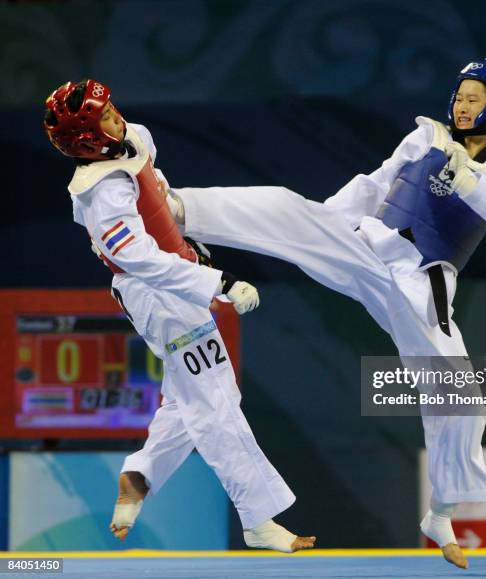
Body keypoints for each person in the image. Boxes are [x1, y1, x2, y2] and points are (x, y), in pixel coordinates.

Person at [162, 57, 486, 568]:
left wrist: (466, 175)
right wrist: (323, 222)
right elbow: (374, 184)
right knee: (286, 207)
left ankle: (442, 513)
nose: (462, 105)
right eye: (460, 95)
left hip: (421, 284)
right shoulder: (426, 135)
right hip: (368, 249)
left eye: (475, 98)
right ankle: (178, 206)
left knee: (464, 402)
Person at [43, 79, 315, 553]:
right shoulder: (99, 194)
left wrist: (193, 252)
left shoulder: (134, 140)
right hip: (155, 295)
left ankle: (142, 472)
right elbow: (138, 259)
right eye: (105, 118)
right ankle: (257, 517)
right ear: (87, 139)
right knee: (212, 399)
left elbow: (157, 199)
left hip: (177, 277)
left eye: (112, 109)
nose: (117, 118)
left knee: (200, 393)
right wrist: (218, 283)